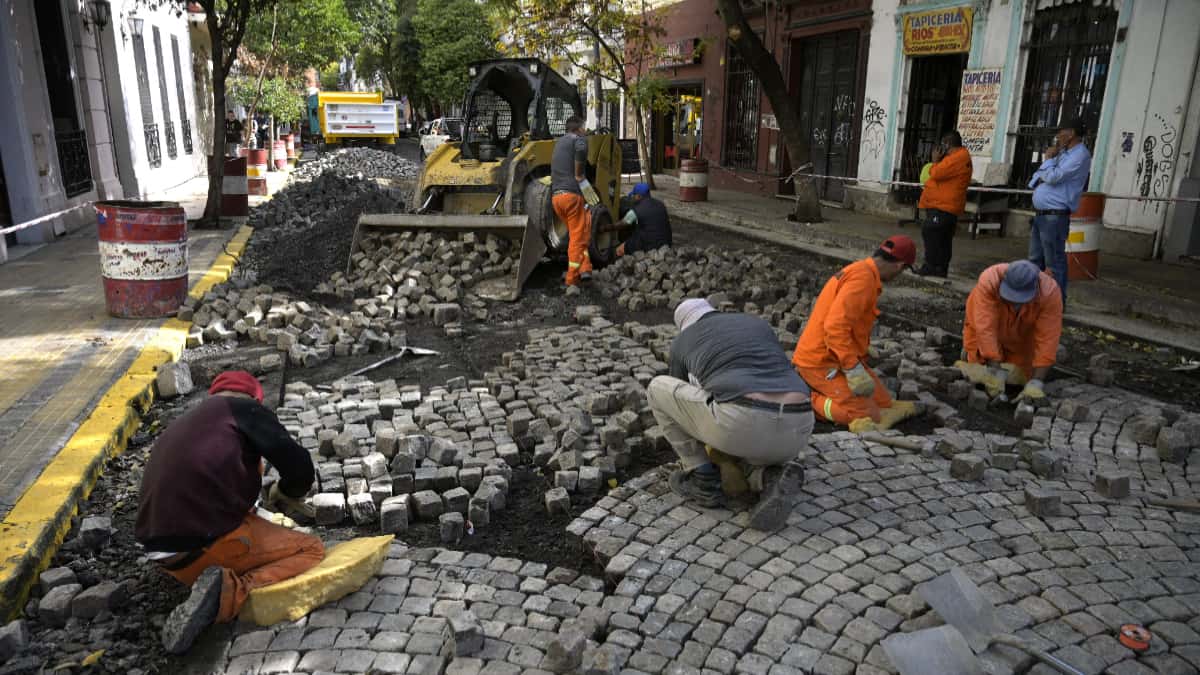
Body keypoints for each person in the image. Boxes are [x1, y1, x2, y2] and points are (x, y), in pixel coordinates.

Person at [136, 371, 323, 654]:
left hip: (166, 557)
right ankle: (230, 594)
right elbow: (300, 468)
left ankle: (209, 583)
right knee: (311, 549)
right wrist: (288, 491)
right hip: (201, 547)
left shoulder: (189, 421)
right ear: (254, 398)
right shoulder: (245, 409)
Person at [649, 299, 814, 531]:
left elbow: (684, 409)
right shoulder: (756, 324)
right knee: (748, 432)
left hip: (743, 422)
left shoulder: (683, 340)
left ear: (684, 325)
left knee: (657, 388)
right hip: (799, 427)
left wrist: (713, 453)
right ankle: (767, 477)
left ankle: (702, 479)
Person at [792, 236, 922, 433]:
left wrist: (859, 351)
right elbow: (835, 327)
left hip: (833, 356)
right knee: (866, 415)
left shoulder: (862, 271)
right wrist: (852, 367)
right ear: (900, 265)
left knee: (884, 403)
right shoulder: (863, 280)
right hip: (820, 362)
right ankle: (808, 398)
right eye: (903, 270)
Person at [958, 260, 1063, 404]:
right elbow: (985, 329)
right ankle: (971, 353)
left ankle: (1004, 361)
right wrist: (994, 371)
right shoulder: (990, 281)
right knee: (979, 368)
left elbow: (1048, 339)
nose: (1014, 303)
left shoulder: (1049, 293)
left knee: (1020, 376)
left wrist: (1036, 382)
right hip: (988, 325)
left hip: (1020, 334)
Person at [1027, 118, 1092, 303]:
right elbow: (1038, 176)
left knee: (1054, 262)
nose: (1058, 136)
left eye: (1061, 131)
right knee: (1034, 260)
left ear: (1071, 133)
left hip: (1055, 216)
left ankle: (1056, 303)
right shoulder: (1063, 153)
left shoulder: (1080, 155)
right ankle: (1033, 301)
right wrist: (1047, 167)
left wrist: (1048, 161)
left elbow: (1053, 177)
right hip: (1042, 215)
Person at [916, 131, 972, 277]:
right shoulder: (956, 158)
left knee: (931, 232)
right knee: (942, 237)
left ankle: (932, 266)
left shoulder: (957, 158)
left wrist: (935, 160)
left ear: (947, 144)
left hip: (943, 205)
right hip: (942, 204)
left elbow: (936, 173)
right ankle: (940, 268)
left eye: (943, 145)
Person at [551, 116, 599, 285]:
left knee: (578, 233)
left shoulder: (559, 142)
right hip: (572, 197)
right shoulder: (578, 139)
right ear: (578, 129)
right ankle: (572, 278)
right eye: (584, 128)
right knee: (577, 239)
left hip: (557, 198)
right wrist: (580, 177)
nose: (585, 131)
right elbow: (581, 147)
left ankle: (585, 269)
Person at [616, 182, 672, 257]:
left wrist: (606, 227)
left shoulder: (635, 211)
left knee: (619, 250)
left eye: (634, 195)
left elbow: (621, 225)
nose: (633, 198)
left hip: (650, 245)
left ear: (639, 196)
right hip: (667, 243)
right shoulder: (661, 204)